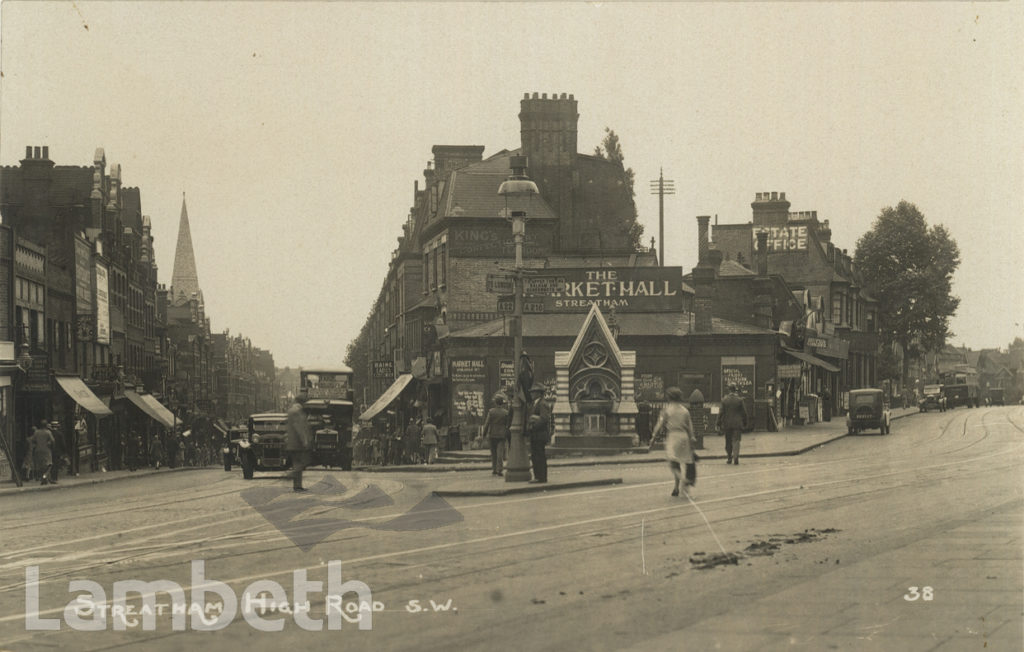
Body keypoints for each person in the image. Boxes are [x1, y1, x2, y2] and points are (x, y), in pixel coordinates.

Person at [653, 387, 696, 497]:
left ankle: (684, 480)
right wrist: (691, 438)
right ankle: (676, 488)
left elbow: (659, 426)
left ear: (669, 397)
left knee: (673, 464)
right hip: (684, 437)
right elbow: (690, 427)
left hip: (673, 437)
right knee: (682, 462)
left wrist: (653, 438)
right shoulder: (685, 410)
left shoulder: (667, 410)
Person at [285, 396, 313, 492]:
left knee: (297, 463)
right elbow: (299, 428)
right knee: (299, 464)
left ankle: (297, 486)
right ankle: (291, 477)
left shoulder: (291, 411)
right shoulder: (297, 412)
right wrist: (304, 440)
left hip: (292, 442)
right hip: (297, 443)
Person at [718, 384, 749, 465]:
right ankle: (736, 457)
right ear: (735, 390)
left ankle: (729, 457)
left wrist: (718, 423)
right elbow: (744, 413)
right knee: (736, 441)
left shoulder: (724, 400)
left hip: (727, 424)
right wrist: (745, 423)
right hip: (737, 424)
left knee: (728, 441)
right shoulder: (739, 400)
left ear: (729, 390)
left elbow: (720, 413)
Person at [526, 385, 550, 484]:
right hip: (536, 434)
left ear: (539, 393)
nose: (532, 394)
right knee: (536, 455)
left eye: (534, 392)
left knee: (539, 456)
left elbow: (544, 419)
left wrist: (533, 426)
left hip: (539, 434)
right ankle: (539, 476)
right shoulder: (535, 403)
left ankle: (540, 477)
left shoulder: (542, 403)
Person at [482, 395, 510, 476]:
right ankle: (499, 470)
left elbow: (487, 424)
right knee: (500, 453)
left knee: (493, 453)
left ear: (495, 403)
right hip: (502, 435)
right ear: (502, 403)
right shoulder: (506, 412)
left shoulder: (491, 411)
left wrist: (484, 434)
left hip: (492, 434)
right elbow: (508, 424)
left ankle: (494, 469)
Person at [29, 420, 55, 486]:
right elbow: (53, 440)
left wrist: (36, 444)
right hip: (46, 450)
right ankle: (45, 476)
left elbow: (32, 440)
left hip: (38, 450)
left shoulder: (36, 432)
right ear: (46, 425)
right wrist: (50, 445)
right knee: (49, 464)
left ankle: (44, 479)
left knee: (40, 465)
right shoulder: (48, 432)